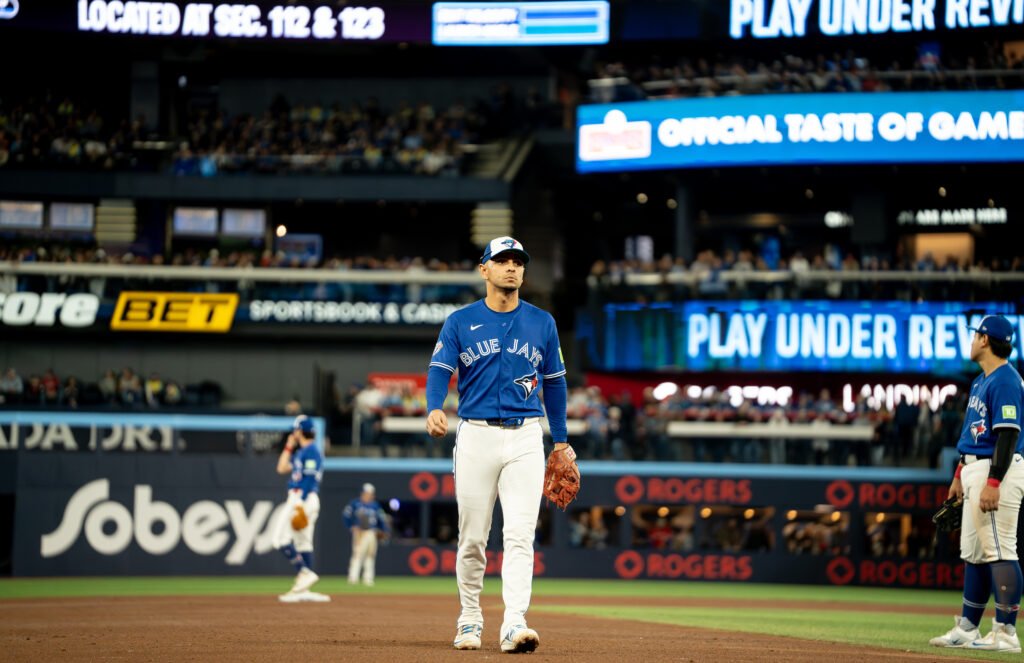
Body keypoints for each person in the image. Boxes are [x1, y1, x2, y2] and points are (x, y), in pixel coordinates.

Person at [425, 236, 568, 654]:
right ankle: (469, 618)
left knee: (520, 534)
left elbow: (555, 384)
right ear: (484, 268)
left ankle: (514, 623)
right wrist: (434, 407)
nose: (512, 267)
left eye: (518, 262)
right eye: (502, 260)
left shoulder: (542, 322)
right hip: (476, 434)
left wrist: (561, 441)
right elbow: (439, 369)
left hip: (526, 435)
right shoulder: (460, 321)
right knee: (472, 537)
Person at [930, 315, 1024, 652]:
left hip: (996, 470)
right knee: (974, 553)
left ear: (985, 340)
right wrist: (959, 473)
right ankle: (968, 627)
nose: (971, 341)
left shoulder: (1006, 380)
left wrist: (994, 480)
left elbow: (1008, 433)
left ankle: (1006, 632)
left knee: (1000, 550)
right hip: (973, 468)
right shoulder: (980, 381)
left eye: (975, 335)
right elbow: (973, 432)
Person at [272, 415, 328, 603]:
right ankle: (304, 590)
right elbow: (281, 468)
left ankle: (304, 572)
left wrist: (299, 504)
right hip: (305, 498)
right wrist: (289, 446)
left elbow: (309, 479)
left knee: (279, 539)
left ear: (300, 431)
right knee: (304, 544)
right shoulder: (302, 452)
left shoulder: (311, 451)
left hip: (302, 497)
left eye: (295, 430)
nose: (292, 433)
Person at [343, 482, 390, 586]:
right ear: (363, 493)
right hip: (360, 532)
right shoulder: (355, 503)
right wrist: (351, 526)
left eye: (371, 493)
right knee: (357, 554)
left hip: (371, 532)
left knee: (370, 555)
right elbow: (346, 515)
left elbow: (381, 519)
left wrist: (385, 530)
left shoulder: (375, 505)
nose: (369, 495)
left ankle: (368, 579)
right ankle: (353, 578)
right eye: (367, 493)